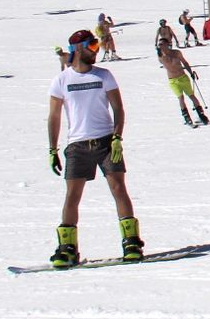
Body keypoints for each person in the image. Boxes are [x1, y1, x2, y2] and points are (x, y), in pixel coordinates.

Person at [46, 29, 141, 268]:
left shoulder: (104, 75)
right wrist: (52, 149)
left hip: (105, 141)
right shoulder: (62, 80)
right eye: (92, 46)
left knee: (118, 187)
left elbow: (118, 109)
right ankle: (67, 247)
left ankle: (131, 241)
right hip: (77, 144)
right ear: (78, 48)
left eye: (97, 46)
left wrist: (117, 137)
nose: (96, 50)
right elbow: (54, 116)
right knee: (72, 195)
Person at [156, 42, 209, 126]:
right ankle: (186, 116)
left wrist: (191, 72)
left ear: (167, 45)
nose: (160, 46)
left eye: (162, 44)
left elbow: (185, 62)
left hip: (183, 78)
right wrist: (161, 53)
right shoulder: (160, 57)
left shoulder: (176, 53)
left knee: (191, 95)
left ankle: (201, 114)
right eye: (159, 45)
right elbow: (165, 61)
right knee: (180, 98)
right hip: (173, 80)